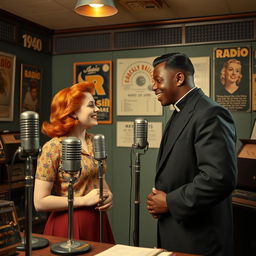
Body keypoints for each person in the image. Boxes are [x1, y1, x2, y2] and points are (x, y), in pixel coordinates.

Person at [146, 53, 237, 256]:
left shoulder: (211, 113)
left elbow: (219, 179)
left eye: (158, 80)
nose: (153, 86)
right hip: (180, 234)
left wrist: (169, 201)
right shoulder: (181, 111)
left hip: (200, 241)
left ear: (179, 78)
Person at [34, 81, 115, 243]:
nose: (97, 109)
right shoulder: (53, 147)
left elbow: (100, 181)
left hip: (97, 221)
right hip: (68, 224)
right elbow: (40, 202)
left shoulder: (94, 142)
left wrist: (108, 195)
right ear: (73, 112)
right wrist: (83, 201)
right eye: (91, 105)